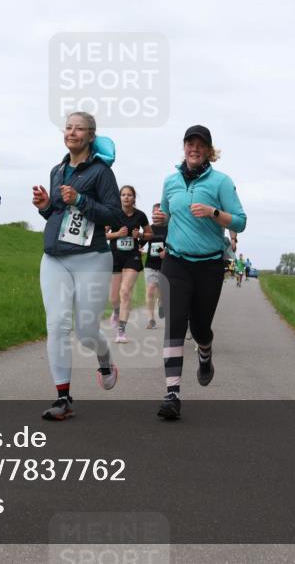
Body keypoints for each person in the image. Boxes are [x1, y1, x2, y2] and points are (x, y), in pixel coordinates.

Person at [33, 111, 123, 420]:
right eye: (68, 127)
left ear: (91, 136)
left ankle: (105, 359)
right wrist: (46, 206)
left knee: (86, 331)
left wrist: (80, 200)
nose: (72, 132)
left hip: (92, 259)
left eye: (79, 128)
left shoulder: (101, 173)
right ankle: (62, 398)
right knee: (56, 325)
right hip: (54, 258)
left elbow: (114, 215)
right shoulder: (57, 171)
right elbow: (58, 216)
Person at [157, 125, 246, 420]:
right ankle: (172, 394)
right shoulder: (170, 182)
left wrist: (214, 213)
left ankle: (205, 352)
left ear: (208, 150)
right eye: (189, 143)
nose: (193, 149)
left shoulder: (221, 182)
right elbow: (168, 218)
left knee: (200, 327)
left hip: (208, 265)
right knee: (174, 325)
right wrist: (160, 220)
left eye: (200, 144)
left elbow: (241, 222)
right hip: (176, 262)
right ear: (183, 147)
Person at [105, 186, 151, 342]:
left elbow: (149, 234)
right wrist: (118, 234)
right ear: (120, 197)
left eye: (129, 195)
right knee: (113, 297)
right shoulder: (113, 214)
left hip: (132, 257)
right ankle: (116, 312)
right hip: (115, 256)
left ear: (134, 198)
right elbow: (103, 234)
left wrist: (140, 235)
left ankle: (121, 331)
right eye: (123, 195)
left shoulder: (140, 216)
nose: (126, 197)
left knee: (125, 292)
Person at [142, 203, 167, 329]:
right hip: (150, 264)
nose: (157, 215)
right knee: (151, 288)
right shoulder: (149, 229)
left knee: (161, 290)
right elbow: (141, 242)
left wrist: (166, 251)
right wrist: (138, 247)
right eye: (155, 212)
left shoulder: (170, 228)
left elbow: (176, 243)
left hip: (165, 265)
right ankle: (151, 319)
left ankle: (161, 302)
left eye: (160, 212)